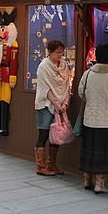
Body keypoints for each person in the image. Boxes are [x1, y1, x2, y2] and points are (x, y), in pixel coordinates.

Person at [78, 43, 108, 194]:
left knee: (89, 149)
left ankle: (86, 179)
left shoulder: (88, 74)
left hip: (90, 119)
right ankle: (99, 183)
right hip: (107, 120)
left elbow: (81, 93)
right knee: (103, 152)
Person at [34, 40, 70, 176]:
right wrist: (56, 103)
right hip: (46, 104)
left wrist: (64, 103)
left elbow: (67, 84)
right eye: (57, 52)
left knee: (57, 135)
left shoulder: (64, 65)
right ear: (50, 52)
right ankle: (41, 166)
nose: (60, 54)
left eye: (62, 51)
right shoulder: (43, 66)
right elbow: (45, 88)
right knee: (43, 134)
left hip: (61, 104)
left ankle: (52, 164)